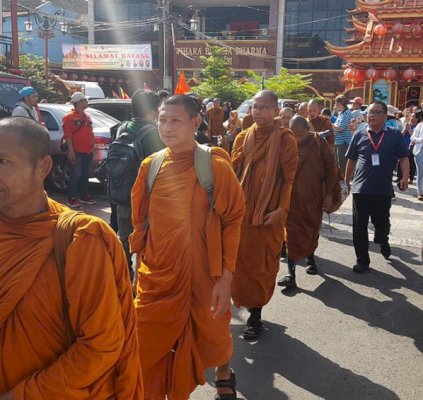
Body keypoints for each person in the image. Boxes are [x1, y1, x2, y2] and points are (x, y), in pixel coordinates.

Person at [0, 117, 142, 399]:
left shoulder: (80, 238)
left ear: (43, 167)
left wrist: (18, 396)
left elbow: (100, 345)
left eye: (2, 162)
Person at [130, 95, 245, 399]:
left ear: (195, 123)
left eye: (175, 120)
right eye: (163, 119)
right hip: (157, 273)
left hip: (205, 273)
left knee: (214, 335)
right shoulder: (150, 166)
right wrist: (137, 270)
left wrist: (226, 277)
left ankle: (223, 372)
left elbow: (233, 220)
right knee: (144, 344)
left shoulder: (214, 165)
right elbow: (140, 224)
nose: (166, 127)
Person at [231, 90, 298, 340]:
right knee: (238, 263)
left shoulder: (285, 139)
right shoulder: (242, 137)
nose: (257, 112)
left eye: (263, 107)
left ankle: (255, 316)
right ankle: (244, 304)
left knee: (261, 265)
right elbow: (232, 172)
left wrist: (281, 210)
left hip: (267, 214)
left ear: (275, 110)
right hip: (241, 212)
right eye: (255, 107)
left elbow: (289, 179)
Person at [344, 101, 410, 273]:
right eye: (369, 112)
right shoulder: (359, 134)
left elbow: (403, 157)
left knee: (381, 223)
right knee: (359, 226)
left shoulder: (395, 134)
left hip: (382, 189)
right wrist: (346, 180)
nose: (371, 115)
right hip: (361, 188)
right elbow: (351, 159)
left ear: (385, 115)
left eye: (376, 112)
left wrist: (404, 177)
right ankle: (362, 260)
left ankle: (383, 240)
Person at [277, 116, 339, 288]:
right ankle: (291, 274)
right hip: (290, 198)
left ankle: (311, 259)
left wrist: (328, 194)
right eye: (294, 135)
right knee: (290, 233)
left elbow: (331, 168)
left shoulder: (318, 142)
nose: (297, 139)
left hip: (313, 197)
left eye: (301, 135)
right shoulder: (287, 143)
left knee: (311, 229)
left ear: (308, 129)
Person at [111, 89, 166, 279]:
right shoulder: (155, 133)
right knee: (149, 239)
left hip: (122, 193)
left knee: (125, 238)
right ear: (152, 111)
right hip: (147, 197)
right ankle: (145, 281)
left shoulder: (122, 128)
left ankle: (125, 277)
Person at [62, 92, 96, 208]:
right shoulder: (69, 117)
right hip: (77, 151)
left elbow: (89, 132)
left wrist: (92, 145)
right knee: (76, 174)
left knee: (85, 174)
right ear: (79, 102)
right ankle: (71, 198)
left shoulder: (86, 116)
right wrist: (71, 151)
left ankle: (84, 195)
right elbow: (68, 135)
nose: (86, 102)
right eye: (84, 100)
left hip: (87, 150)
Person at [333, 95, 354, 172]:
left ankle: (344, 182)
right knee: (338, 163)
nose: (335, 105)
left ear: (340, 103)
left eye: (336, 103)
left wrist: (331, 124)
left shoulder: (347, 113)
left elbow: (340, 128)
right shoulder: (341, 113)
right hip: (339, 142)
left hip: (344, 143)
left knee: (342, 165)